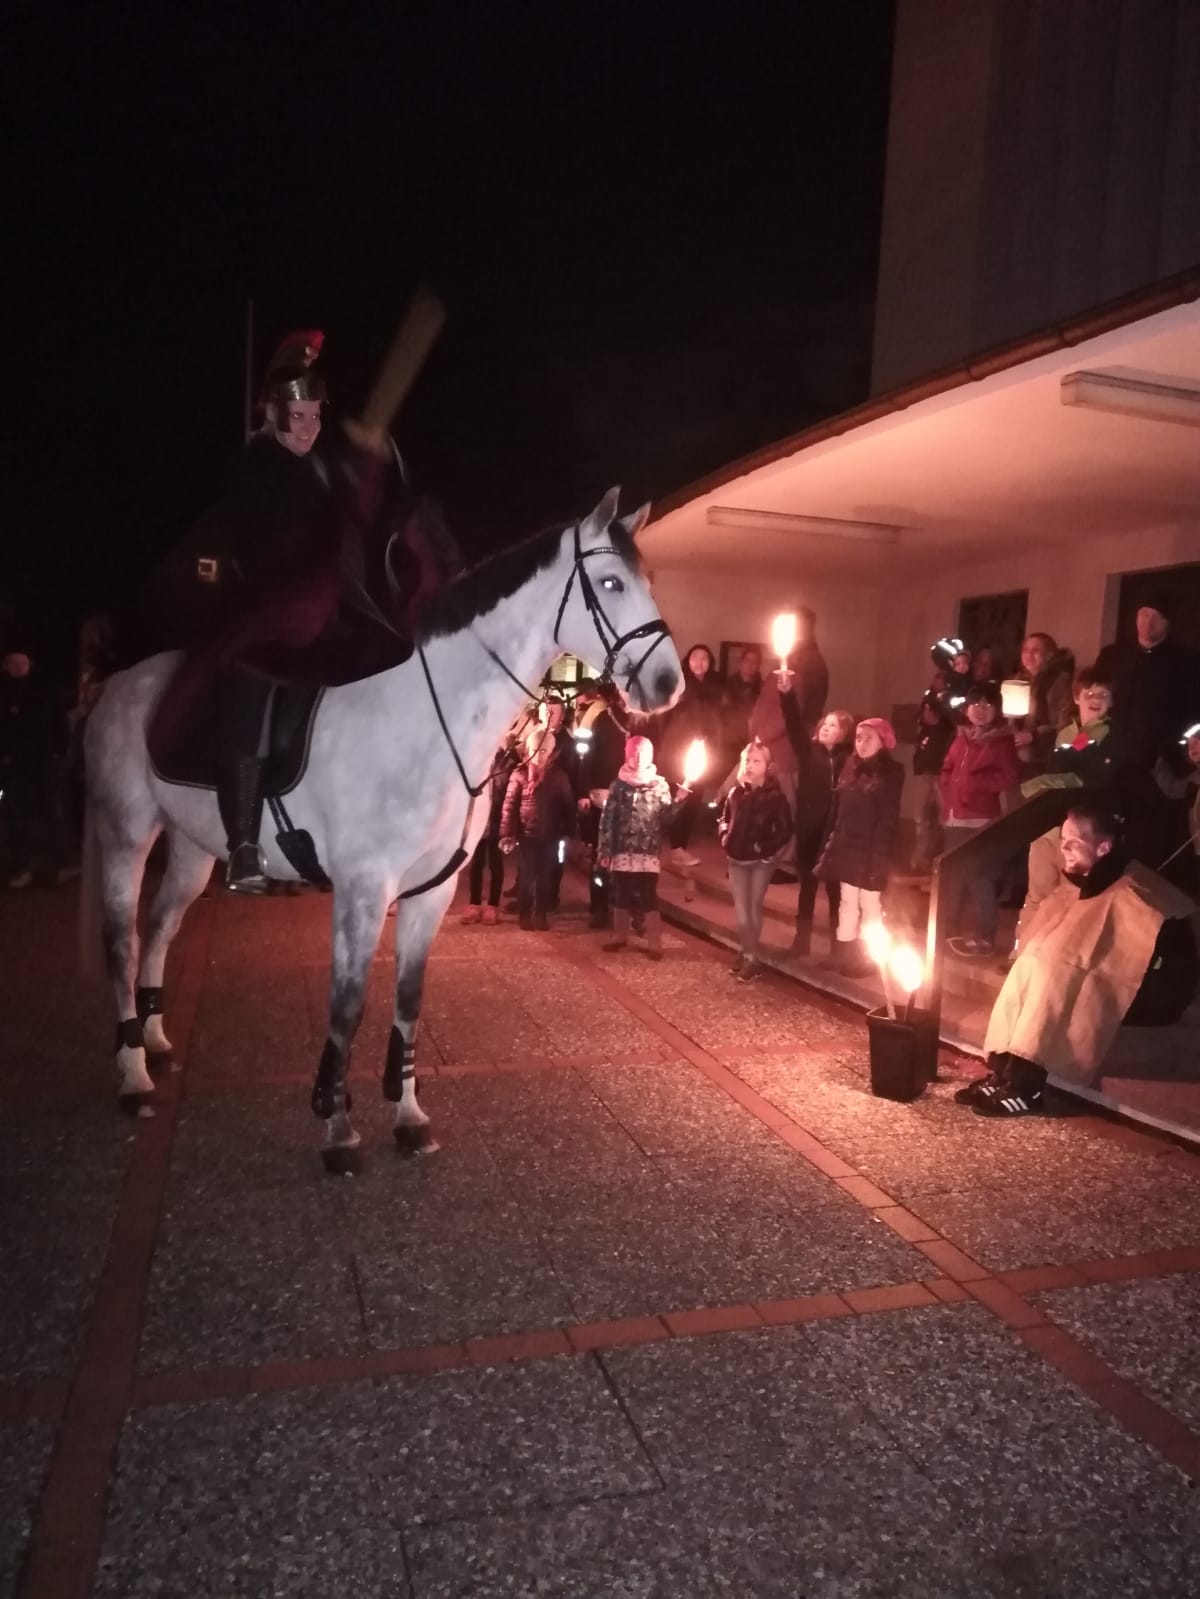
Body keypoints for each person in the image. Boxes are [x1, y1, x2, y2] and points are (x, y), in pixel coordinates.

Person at [157, 331, 456, 894]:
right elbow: (268, 541)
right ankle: (243, 843)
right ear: (274, 414)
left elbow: (354, 515)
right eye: (296, 415)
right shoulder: (257, 466)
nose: (308, 427)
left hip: (324, 614)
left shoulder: (317, 468)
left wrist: (365, 465)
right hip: (265, 616)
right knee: (248, 691)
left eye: (315, 416)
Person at [957, 797, 1198, 1117]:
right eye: (1063, 841)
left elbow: (1142, 960)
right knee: (1029, 964)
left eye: (1075, 842)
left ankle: (1025, 1086)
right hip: (1097, 978)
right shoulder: (1077, 883)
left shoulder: (1135, 892)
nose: (1064, 850)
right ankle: (1002, 1070)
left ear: (1103, 848)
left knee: (1055, 974)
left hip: (1150, 994)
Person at [1010, 667, 1116, 955]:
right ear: (1076, 697)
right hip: (1048, 826)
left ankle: (1055, 955)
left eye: (1103, 694)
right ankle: (1022, 954)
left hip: (1079, 832)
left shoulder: (1110, 736)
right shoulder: (1066, 733)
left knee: (1071, 896)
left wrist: (1044, 783)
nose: (1095, 699)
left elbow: (1085, 779)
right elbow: (1056, 770)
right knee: (1037, 893)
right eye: (1089, 693)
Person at [814, 718, 904, 975]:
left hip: (869, 848)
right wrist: (829, 842)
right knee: (847, 901)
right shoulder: (850, 767)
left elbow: (887, 818)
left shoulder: (890, 773)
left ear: (882, 742)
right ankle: (843, 953)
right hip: (847, 845)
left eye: (869, 738)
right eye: (859, 738)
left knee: (870, 904)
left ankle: (870, 958)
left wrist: (879, 858)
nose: (862, 744)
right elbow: (838, 809)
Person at [939, 682, 1021, 958]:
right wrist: (948, 784)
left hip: (981, 818)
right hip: (954, 817)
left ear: (996, 709)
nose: (981, 710)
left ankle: (985, 936)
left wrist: (976, 784)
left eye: (987, 705)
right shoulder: (962, 737)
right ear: (967, 709)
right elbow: (948, 765)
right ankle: (949, 931)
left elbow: (1009, 776)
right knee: (953, 878)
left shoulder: (1001, 740)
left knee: (981, 879)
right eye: (976, 705)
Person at [596, 734, 688, 960]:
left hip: (647, 852)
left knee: (648, 896)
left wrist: (680, 800)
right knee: (621, 894)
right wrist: (605, 850)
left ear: (650, 756)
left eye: (642, 753)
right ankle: (619, 935)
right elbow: (608, 820)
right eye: (633, 752)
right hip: (622, 850)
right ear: (626, 754)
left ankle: (654, 943)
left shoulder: (660, 785)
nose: (637, 758)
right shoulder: (618, 785)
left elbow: (667, 818)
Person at [718, 739, 793, 981]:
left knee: (752, 908)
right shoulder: (736, 793)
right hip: (736, 857)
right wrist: (724, 837)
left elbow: (785, 829)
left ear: (767, 766)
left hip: (760, 861)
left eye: (756, 761)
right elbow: (724, 818)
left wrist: (765, 847)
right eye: (747, 761)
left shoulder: (774, 797)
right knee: (741, 913)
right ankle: (748, 952)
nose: (750, 766)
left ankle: (751, 957)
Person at [784, 708, 855, 956]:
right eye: (825, 723)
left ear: (844, 733)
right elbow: (793, 723)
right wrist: (787, 694)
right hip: (810, 831)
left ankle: (837, 948)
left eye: (834, 725)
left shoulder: (849, 759)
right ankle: (801, 941)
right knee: (807, 889)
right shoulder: (809, 753)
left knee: (835, 892)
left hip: (835, 834)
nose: (826, 727)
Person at [0, 642, 69, 888]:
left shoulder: (44, 689)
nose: (19, 668)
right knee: (18, 815)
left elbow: (59, 722)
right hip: (15, 764)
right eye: (14, 664)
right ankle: (21, 866)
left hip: (45, 761)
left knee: (54, 811)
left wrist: (59, 752)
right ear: (5, 666)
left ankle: (61, 864)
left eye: (23, 663)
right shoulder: (4, 691)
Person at [500, 726, 576, 930]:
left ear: (551, 752)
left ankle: (540, 913)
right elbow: (509, 805)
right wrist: (507, 833)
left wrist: (571, 830)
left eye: (544, 751)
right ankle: (524, 912)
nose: (540, 755)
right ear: (529, 750)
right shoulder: (520, 774)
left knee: (545, 876)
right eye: (536, 750)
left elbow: (568, 805)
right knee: (526, 875)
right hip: (527, 834)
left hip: (551, 835)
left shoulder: (559, 776)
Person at [573, 678, 631, 928]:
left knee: (628, 856)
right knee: (601, 853)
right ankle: (598, 906)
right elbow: (588, 757)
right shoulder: (604, 720)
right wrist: (584, 791)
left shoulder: (644, 723)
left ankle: (623, 906)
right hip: (603, 796)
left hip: (632, 798)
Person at [661, 643, 724, 868]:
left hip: (703, 751)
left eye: (704, 658)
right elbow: (668, 718)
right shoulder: (678, 684)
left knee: (694, 800)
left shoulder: (715, 687)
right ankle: (676, 847)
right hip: (678, 750)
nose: (699, 662)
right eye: (695, 657)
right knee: (679, 799)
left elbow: (717, 720)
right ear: (687, 660)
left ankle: (680, 846)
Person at [461, 737, 520, 924]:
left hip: (497, 819)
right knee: (476, 863)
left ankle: (493, 905)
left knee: (495, 863)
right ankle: (474, 903)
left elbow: (509, 793)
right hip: (478, 820)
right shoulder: (475, 760)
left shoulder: (509, 762)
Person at [1012, 632, 1075, 775]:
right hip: (1017, 754)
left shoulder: (1060, 683)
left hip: (1046, 756)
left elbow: (1066, 722)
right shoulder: (1018, 681)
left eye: (1035, 651)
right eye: (1025, 650)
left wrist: (1034, 735)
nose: (1029, 655)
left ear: (1049, 655)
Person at [910, 683, 956, 874]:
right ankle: (920, 861)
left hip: (940, 775)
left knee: (941, 819)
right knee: (921, 819)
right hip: (925, 775)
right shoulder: (925, 730)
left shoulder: (946, 730)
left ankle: (938, 862)